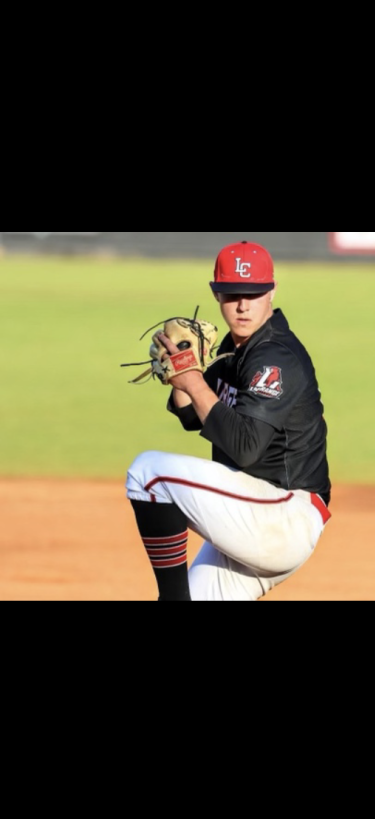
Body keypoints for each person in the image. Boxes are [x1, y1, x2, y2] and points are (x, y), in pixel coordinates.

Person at [126, 240, 332, 601]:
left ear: (271, 291)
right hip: (249, 517)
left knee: (148, 474)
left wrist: (192, 379)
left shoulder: (274, 357)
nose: (241, 305)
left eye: (252, 294)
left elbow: (244, 447)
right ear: (215, 293)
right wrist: (183, 376)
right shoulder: (234, 349)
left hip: (282, 515)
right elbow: (195, 417)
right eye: (232, 293)